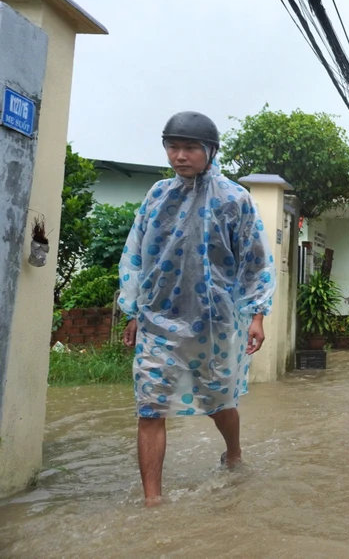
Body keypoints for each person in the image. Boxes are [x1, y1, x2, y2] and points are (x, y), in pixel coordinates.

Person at [118, 111, 275, 506]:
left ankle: (234, 453)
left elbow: (255, 260)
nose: (179, 156)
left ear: (210, 150)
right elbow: (135, 253)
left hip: (215, 323)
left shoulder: (235, 199)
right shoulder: (157, 195)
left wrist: (257, 315)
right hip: (157, 320)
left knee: (218, 402)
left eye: (189, 147)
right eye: (173, 146)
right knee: (150, 406)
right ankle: (153, 500)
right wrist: (133, 311)